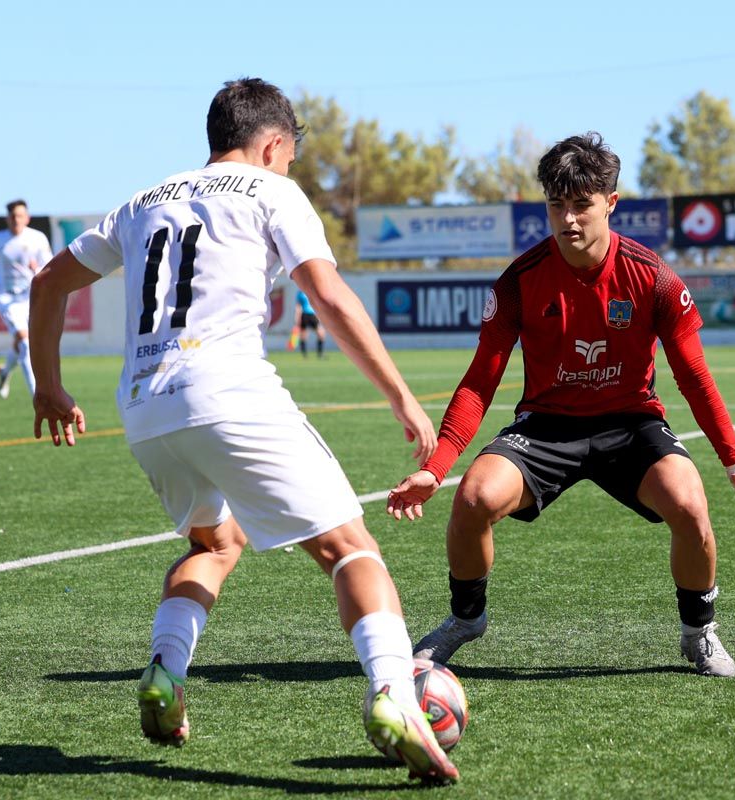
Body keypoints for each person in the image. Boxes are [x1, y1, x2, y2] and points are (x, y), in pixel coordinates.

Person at [28, 78, 458, 784]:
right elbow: (327, 293)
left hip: (145, 408)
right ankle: (395, 697)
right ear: (274, 145)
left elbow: (48, 284)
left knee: (214, 541)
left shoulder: (142, 201)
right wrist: (403, 397)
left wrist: (48, 384)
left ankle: (165, 672)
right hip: (227, 392)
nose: (289, 169)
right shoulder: (272, 191)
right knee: (351, 550)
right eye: (290, 157)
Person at [386, 132, 735, 679]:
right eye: (556, 205)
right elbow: (480, 382)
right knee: (472, 498)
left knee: (689, 505)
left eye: (581, 204)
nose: (568, 219)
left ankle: (699, 632)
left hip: (631, 423)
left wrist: (734, 462)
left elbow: (695, 377)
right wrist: (435, 468)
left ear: (611, 203)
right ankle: (466, 619)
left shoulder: (652, 277)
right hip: (546, 427)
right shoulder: (521, 281)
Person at [0, 199, 53, 399]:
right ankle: (38, 397)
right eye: (12, 216)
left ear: (27, 218)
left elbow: (49, 266)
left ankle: (5, 371)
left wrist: (36, 269)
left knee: (23, 343)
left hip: (32, 297)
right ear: (7, 219)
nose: (16, 220)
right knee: (26, 343)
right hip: (7, 298)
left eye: (19, 216)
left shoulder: (37, 239)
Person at [295, 288, 327, 358]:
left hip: (312, 315)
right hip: (304, 315)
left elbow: (316, 305)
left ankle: (320, 354)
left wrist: (318, 316)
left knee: (321, 334)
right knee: (304, 336)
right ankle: (304, 355)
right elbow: (298, 306)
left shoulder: (311, 290)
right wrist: (297, 319)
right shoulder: (300, 293)